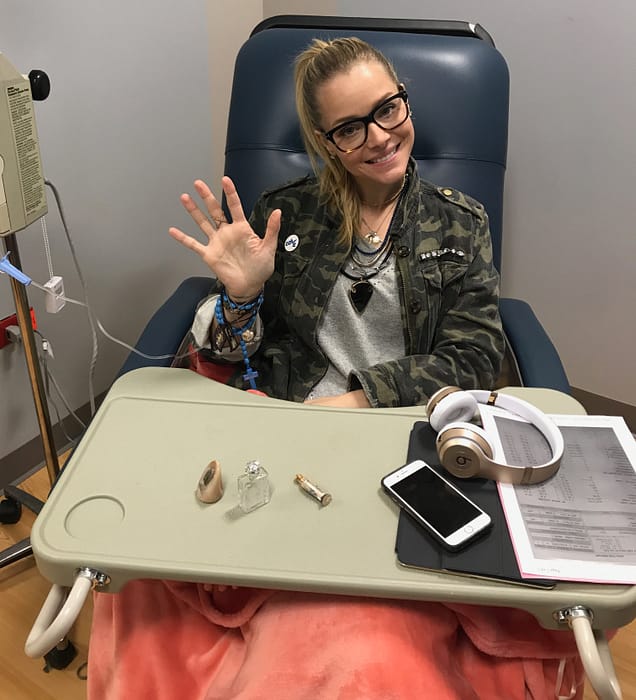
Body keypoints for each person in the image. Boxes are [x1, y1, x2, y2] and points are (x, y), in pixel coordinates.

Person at [87, 38, 584, 699]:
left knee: (364, 646)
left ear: (405, 100)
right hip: (290, 441)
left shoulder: (459, 224)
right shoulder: (286, 214)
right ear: (324, 142)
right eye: (350, 128)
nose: (379, 137)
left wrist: (351, 404)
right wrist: (241, 297)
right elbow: (233, 356)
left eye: (387, 109)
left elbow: (470, 360)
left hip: (408, 443)